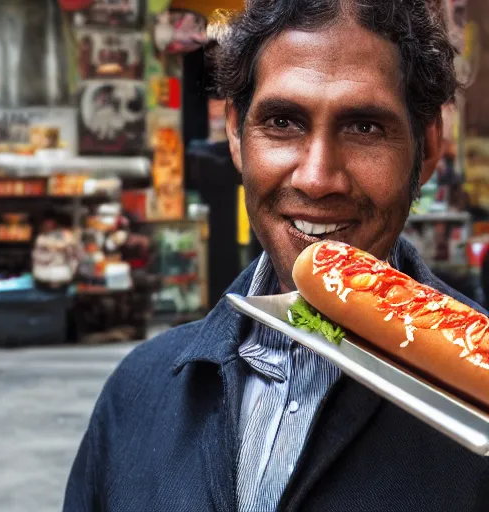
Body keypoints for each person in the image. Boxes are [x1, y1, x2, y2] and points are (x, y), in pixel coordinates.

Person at [63, 1, 489, 510]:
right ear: (237, 134)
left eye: (365, 128)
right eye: (283, 121)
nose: (316, 177)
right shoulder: (138, 394)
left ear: (428, 148)